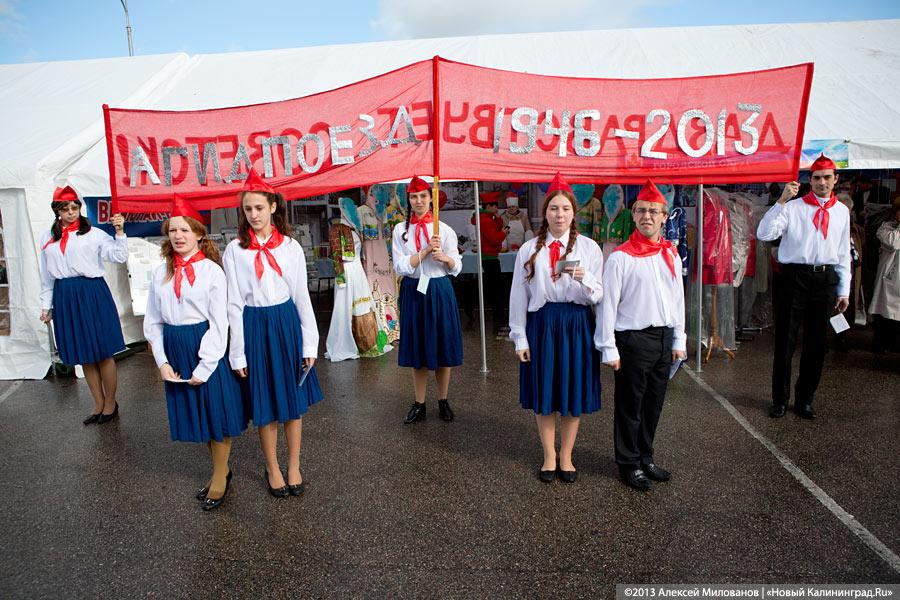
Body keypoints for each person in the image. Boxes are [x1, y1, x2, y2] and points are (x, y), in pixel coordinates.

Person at [223, 169, 324, 498]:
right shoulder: (234, 251)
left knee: (292, 400)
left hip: (285, 325)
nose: (253, 215)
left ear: (273, 207)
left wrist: (310, 342)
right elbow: (233, 304)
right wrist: (237, 351)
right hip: (254, 326)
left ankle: (294, 464)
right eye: (248, 209)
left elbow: (301, 296)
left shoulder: (291, 247)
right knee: (265, 402)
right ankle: (272, 467)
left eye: (259, 208)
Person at [143, 196, 248, 511]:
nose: (178, 236)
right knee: (200, 417)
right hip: (176, 348)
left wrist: (205, 365)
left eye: (185, 230)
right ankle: (222, 469)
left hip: (205, 349)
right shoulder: (160, 272)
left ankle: (219, 476)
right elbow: (152, 321)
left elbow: (220, 323)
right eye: (173, 230)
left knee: (216, 414)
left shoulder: (211, 273)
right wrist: (162, 361)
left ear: (199, 233)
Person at [509, 172, 604, 484]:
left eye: (565, 208)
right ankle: (549, 454)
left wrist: (582, 277)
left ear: (573, 212)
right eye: (553, 209)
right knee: (545, 390)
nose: (559, 214)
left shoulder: (589, 248)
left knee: (571, 389)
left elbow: (599, 294)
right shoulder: (528, 250)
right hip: (542, 324)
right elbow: (518, 296)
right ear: (545, 213)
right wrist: (519, 336)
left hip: (576, 323)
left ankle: (567, 456)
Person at [595, 179, 686, 492]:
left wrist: (679, 339)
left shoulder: (670, 254)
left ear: (664, 216)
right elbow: (608, 304)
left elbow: (678, 299)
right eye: (641, 210)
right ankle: (628, 462)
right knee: (630, 405)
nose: (647, 216)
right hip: (633, 340)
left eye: (653, 211)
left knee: (654, 403)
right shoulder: (621, 257)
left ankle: (646, 455)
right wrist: (608, 347)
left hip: (662, 338)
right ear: (633, 215)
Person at [756, 154, 851, 420]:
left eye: (827, 178)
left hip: (825, 279)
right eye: (817, 178)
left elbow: (843, 253)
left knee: (816, 343)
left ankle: (805, 398)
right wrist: (781, 201)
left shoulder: (842, 211)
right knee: (785, 340)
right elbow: (764, 234)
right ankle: (780, 399)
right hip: (794, 278)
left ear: (835, 179)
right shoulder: (793, 207)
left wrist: (844, 290)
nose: (822, 183)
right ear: (810, 180)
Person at [39, 185, 127, 425]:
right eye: (65, 209)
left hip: (92, 292)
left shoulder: (94, 233)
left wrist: (119, 232)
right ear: (57, 211)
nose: (71, 212)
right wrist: (47, 306)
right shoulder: (47, 238)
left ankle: (111, 402)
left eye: (74, 207)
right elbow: (46, 276)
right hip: (65, 295)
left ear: (79, 207)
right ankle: (97, 403)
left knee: (102, 351)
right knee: (85, 354)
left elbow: (119, 256)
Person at [392, 175, 463, 424]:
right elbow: (401, 266)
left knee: (443, 348)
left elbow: (457, 266)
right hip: (414, 291)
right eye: (414, 197)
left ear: (431, 200)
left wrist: (444, 257)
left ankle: (443, 400)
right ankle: (419, 403)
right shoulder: (400, 231)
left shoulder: (445, 230)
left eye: (423, 196)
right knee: (418, 350)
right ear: (409, 200)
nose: (419, 201)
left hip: (440, 289)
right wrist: (423, 252)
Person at [473, 193, 509, 338]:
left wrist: (498, 218)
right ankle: (498, 323)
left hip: (489, 257)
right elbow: (494, 239)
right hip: (490, 258)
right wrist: (503, 233)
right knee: (496, 292)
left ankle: (499, 321)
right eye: (495, 206)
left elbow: (498, 227)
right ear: (489, 206)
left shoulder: (487, 218)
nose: (497, 208)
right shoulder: (486, 221)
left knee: (495, 291)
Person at [869, 200, 900, 353]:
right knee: (886, 313)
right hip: (889, 277)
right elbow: (893, 243)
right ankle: (884, 343)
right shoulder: (886, 228)